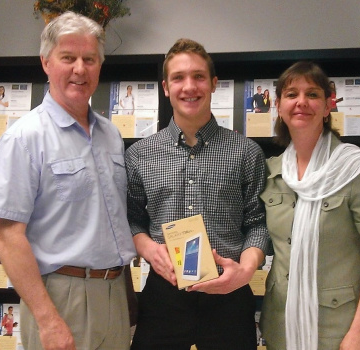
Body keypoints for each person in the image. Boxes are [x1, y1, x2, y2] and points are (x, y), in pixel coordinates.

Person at [0, 11, 136, 350]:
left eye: (89, 59)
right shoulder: (24, 138)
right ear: (46, 62)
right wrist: (47, 319)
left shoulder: (110, 134)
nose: (80, 69)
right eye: (68, 58)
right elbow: (7, 236)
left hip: (115, 291)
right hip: (62, 298)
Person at [126, 38, 270, 350]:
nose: (189, 86)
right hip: (163, 294)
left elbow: (258, 223)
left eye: (199, 76)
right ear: (166, 87)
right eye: (178, 78)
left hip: (230, 294)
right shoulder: (140, 154)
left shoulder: (246, 152)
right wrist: (151, 252)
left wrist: (244, 272)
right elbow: (132, 220)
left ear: (214, 83)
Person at [259, 61, 360, 350]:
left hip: (340, 331)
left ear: (327, 105)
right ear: (280, 106)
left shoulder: (358, 170)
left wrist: (359, 334)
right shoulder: (272, 173)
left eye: (312, 94)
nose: (301, 102)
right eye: (292, 94)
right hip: (281, 328)